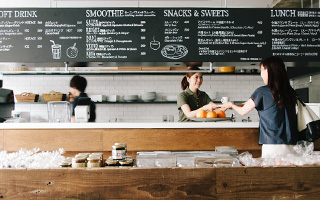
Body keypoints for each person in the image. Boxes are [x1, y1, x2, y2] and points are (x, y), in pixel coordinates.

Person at [221, 56, 298, 158]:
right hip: (292, 145)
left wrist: (231, 105)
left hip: (272, 145)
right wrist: (234, 105)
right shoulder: (290, 91)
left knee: (273, 173)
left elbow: (243, 111)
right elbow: (251, 104)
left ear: (268, 72)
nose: (261, 74)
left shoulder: (262, 92)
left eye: (262, 70)